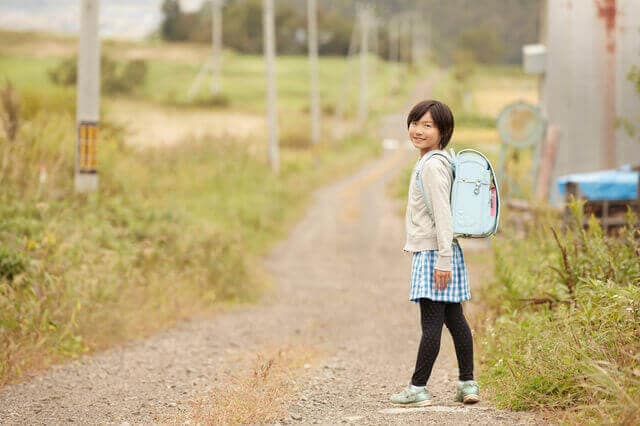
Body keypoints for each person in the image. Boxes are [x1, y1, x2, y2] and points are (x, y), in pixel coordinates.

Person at [390, 100, 479, 407]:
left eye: (428, 125)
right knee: (455, 320)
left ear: (443, 132)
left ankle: (418, 388)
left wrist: (442, 260)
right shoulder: (437, 160)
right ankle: (467, 384)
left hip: (434, 253)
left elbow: (443, 214)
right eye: (415, 123)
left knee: (431, 324)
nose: (418, 130)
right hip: (443, 250)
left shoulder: (432, 166)